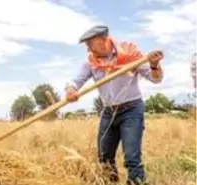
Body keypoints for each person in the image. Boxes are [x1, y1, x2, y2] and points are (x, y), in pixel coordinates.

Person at [65, 25, 164, 185]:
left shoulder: (130, 53)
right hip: (108, 112)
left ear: (104, 40)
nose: (88, 49)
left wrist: (154, 65)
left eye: (90, 44)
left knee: (132, 157)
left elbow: (156, 79)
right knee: (105, 157)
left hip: (131, 110)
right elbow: (76, 81)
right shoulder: (91, 62)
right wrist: (71, 89)